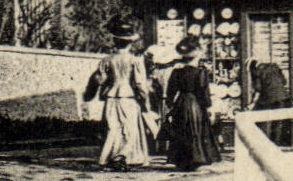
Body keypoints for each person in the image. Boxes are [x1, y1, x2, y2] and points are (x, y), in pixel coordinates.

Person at [86, 17, 152, 171]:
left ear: (115, 41)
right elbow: (140, 83)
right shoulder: (135, 60)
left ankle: (107, 158)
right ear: (130, 43)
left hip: (111, 97)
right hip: (127, 96)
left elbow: (101, 80)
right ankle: (121, 156)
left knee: (113, 128)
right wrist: (145, 100)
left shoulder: (106, 60)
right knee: (129, 128)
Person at [165, 36, 221, 170]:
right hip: (195, 104)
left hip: (181, 103)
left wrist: (170, 107)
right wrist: (209, 108)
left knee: (181, 130)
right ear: (197, 56)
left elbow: (170, 92)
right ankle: (197, 158)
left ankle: (181, 160)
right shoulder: (201, 72)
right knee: (196, 130)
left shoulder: (176, 72)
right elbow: (204, 92)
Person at [249, 60, 293, 146]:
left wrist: (253, 102)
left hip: (269, 99)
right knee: (278, 122)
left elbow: (258, 89)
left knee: (261, 120)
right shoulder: (275, 67)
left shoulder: (257, 71)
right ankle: (277, 144)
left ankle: (265, 144)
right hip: (283, 97)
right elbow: (284, 81)